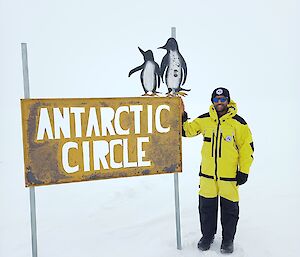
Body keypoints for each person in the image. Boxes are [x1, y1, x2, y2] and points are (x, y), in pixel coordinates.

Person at [180, 87, 254, 254]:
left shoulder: (239, 123)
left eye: (222, 99)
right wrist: (182, 119)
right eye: (216, 100)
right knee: (206, 208)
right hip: (207, 176)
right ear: (212, 101)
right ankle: (207, 236)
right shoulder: (206, 119)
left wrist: (244, 171)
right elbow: (187, 131)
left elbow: (247, 149)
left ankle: (228, 240)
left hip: (229, 176)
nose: (219, 102)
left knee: (229, 210)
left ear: (228, 101)